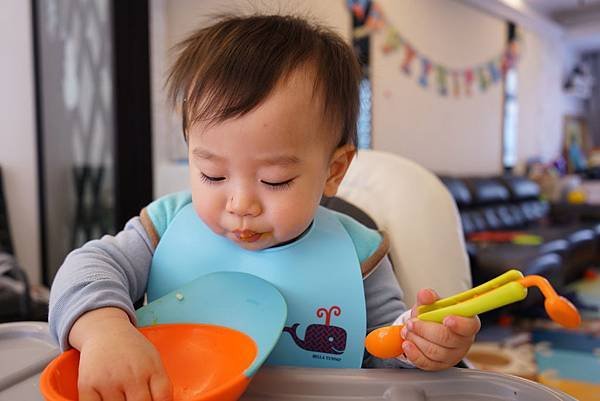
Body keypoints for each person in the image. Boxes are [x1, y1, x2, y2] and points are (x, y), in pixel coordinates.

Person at [49, 13, 480, 401]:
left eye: (275, 181)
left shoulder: (359, 256)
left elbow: (381, 363)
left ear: (334, 170)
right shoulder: (163, 229)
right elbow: (86, 268)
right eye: (212, 175)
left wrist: (419, 346)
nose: (240, 205)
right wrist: (105, 329)